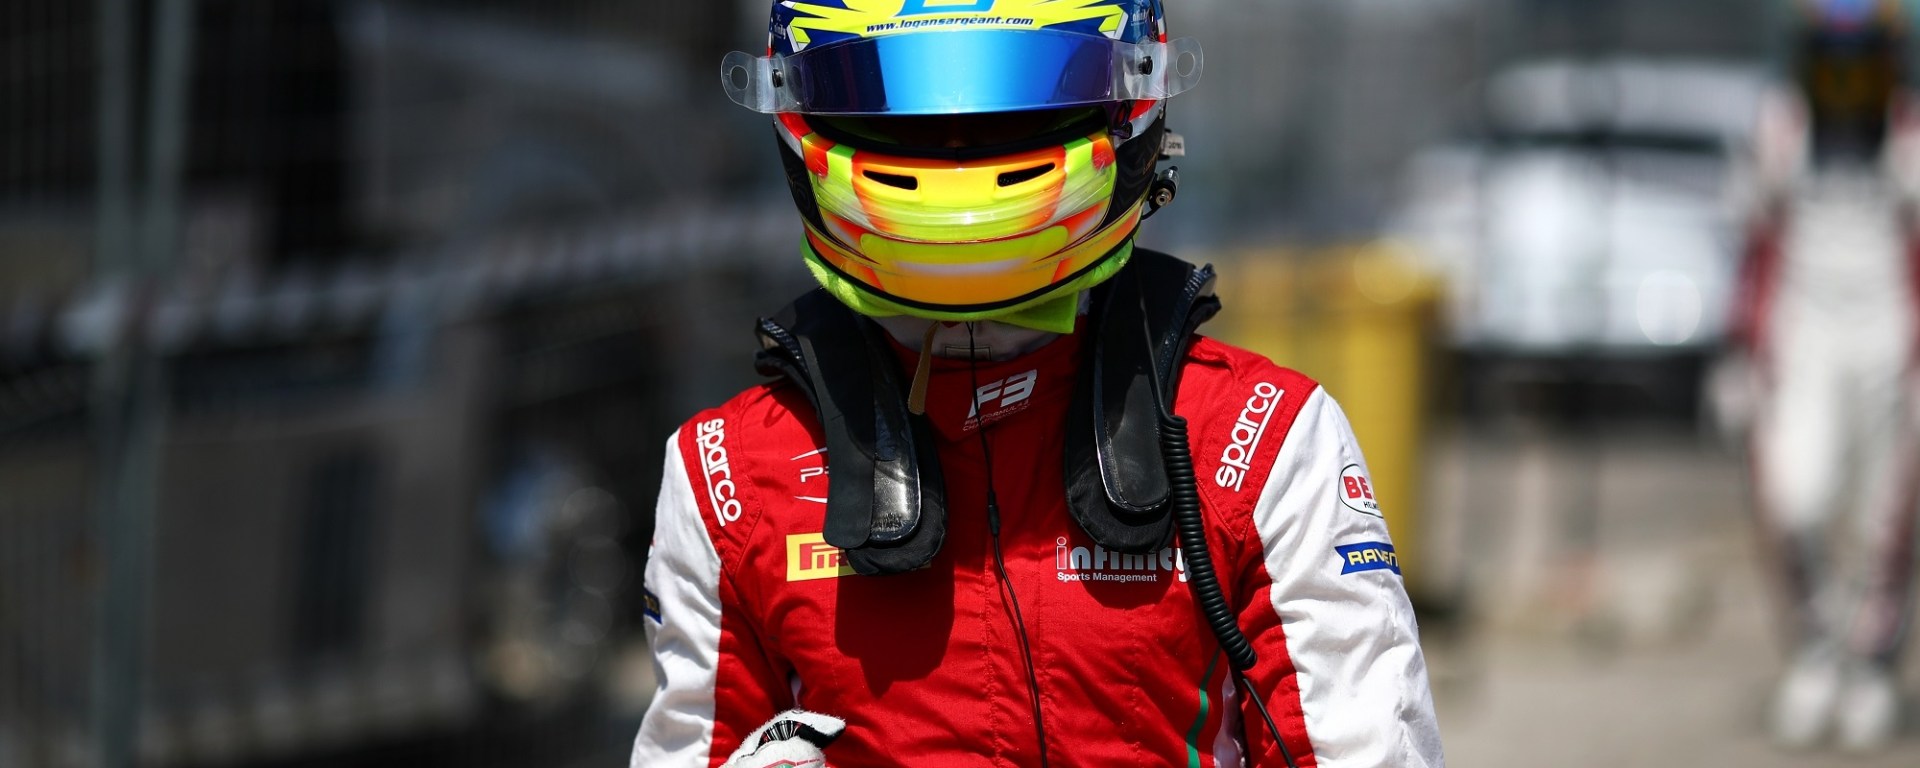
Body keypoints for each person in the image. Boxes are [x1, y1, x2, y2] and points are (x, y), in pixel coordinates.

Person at [630, 1, 1445, 765]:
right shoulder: (726, 472)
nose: (956, 140)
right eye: (895, 98)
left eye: (1016, 97)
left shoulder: (1260, 436)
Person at [1725, 0, 1919, 752]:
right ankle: (1814, 652)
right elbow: (1754, 251)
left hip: (1892, 344)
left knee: (1882, 519)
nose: (1843, 79)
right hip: (1803, 339)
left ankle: (1870, 665)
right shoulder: (1777, 134)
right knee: (1795, 500)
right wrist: (1739, 352)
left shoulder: (1907, 140)